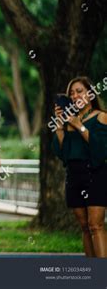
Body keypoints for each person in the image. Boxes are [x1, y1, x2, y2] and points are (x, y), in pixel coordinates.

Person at [53, 76, 107, 258]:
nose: (75, 95)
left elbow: (101, 150)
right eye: (72, 93)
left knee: (96, 225)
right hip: (74, 176)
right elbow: (63, 154)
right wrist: (60, 126)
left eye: (80, 91)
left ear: (90, 94)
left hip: (95, 174)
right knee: (84, 227)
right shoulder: (69, 122)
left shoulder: (101, 117)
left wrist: (80, 127)